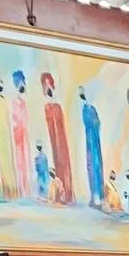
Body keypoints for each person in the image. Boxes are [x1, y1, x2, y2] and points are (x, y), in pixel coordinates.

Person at [39, 73, 73, 205]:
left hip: (62, 142)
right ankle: (58, 194)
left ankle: (67, 194)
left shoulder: (58, 106)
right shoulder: (47, 107)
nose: (48, 89)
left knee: (64, 162)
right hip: (54, 142)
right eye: (45, 86)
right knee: (57, 160)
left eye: (49, 85)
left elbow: (61, 125)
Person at [78, 85, 103, 208]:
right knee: (90, 166)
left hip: (94, 140)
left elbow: (96, 123)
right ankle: (94, 195)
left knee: (95, 165)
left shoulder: (90, 109)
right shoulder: (85, 109)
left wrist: (93, 126)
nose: (82, 97)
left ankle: (98, 196)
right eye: (81, 95)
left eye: (83, 95)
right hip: (89, 140)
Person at [9, 70, 31, 197]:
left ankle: (26, 189)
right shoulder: (15, 102)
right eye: (21, 83)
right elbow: (16, 119)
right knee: (20, 161)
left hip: (24, 133)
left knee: (25, 159)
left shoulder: (23, 102)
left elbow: (25, 119)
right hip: (18, 133)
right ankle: (22, 189)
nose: (23, 85)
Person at [0, 77, 14, 200]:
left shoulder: (3, 100)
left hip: (4, 136)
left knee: (6, 161)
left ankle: (8, 191)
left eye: (1, 84)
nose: (0, 86)